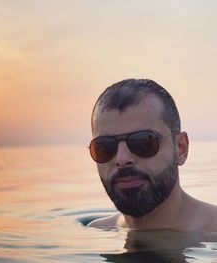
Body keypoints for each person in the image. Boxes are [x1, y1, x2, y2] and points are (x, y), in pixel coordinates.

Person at [87, 79, 217, 231]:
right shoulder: (95, 232)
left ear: (180, 148)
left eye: (144, 142)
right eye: (105, 147)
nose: (121, 159)